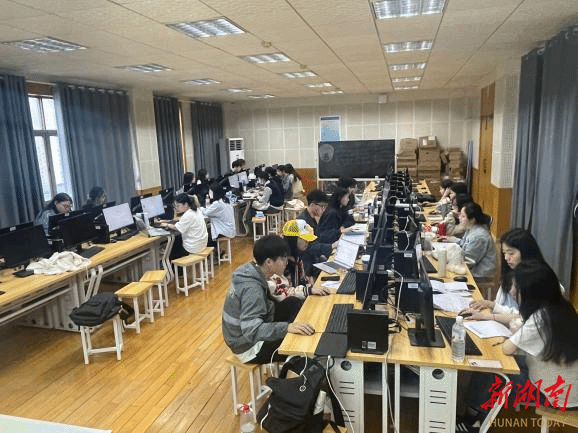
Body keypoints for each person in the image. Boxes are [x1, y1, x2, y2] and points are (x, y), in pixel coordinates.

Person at [222, 234, 315, 364]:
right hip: (247, 346)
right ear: (269, 262)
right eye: (283, 259)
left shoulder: (253, 270)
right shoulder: (252, 290)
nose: (286, 262)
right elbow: (252, 331)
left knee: (292, 303)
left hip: (244, 334)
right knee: (299, 344)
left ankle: (299, 331)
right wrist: (286, 328)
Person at [503, 261, 578, 409]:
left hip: (558, 397)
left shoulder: (539, 317)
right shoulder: (560, 307)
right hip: (570, 388)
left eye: (516, 287)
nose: (512, 291)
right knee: (517, 361)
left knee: (498, 374)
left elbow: (507, 348)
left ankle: (475, 415)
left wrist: (513, 337)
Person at [460, 228, 545, 324]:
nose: (506, 258)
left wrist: (488, 315)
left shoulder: (537, 279)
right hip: (505, 323)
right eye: (504, 253)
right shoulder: (512, 272)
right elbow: (504, 305)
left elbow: (524, 317)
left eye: (511, 253)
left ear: (526, 251)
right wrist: (490, 305)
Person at [457, 202, 496, 279]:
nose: (459, 218)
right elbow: (463, 243)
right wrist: (450, 240)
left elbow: (468, 261)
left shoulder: (478, 236)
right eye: (460, 215)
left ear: (472, 219)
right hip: (472, 269)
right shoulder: (471, 228)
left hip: (480, 275)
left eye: (463, 216)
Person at [163, 193, 208, 260]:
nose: (176, 208)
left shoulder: (187, 215)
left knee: (174, 243)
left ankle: (175, 265)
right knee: (178, 239)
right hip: (202, 244)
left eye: (178, 206)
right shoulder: (196, 210)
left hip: (194, 247)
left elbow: (177, 228)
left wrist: (166, 225)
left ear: (186, 204)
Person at [202, 183, 236, 248]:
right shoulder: (225, 200)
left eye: (210, 192)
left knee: (205, 237)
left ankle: (217, 252)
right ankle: (218, 251)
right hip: (229, 229)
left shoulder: (217, 204)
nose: (209, 194)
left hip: (224, 231)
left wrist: (200, 209)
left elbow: (206, 213)